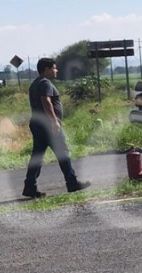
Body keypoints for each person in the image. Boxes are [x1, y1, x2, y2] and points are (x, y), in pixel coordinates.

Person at [22, 58, 91, 198]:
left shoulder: (35, 84)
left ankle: (29, 186)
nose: (56, 71)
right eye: (54, 68)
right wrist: (54, 121)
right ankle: (72, 182)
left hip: (37, 124)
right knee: (63, 153)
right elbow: (46, 101)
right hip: (48, 125)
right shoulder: (45, 84)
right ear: (46, 69)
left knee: (37, 156)